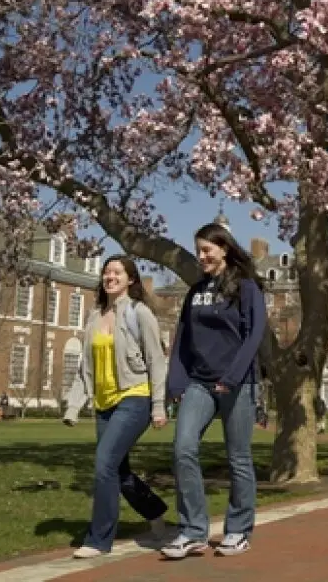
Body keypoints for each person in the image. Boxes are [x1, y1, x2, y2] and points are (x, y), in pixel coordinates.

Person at [162, 223, 267, 560]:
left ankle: (238, 531)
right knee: (183, 449)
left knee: (238, 458)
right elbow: (182, 340)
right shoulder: (195, 293)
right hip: (199, 383)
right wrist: (175, 382)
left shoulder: (246, 288)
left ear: (224, 248)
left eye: (207, 250)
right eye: (199, 250)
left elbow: (254, 336)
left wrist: (234, 376)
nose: (202, 256)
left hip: (238, 383)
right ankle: (193, 531)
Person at [63, 255, 169, 559]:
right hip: (105, 402)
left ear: (130, 279)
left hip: (135, 397)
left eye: (117, 272)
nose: (110, 276)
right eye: (107, 272)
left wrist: (158, 406)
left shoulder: (140, 313)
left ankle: (98, 540)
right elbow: (87, 368)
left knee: (104, 463)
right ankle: (154, 511)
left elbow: (156, 362)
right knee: (118, 470)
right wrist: (73, 406)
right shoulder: (94, 316)